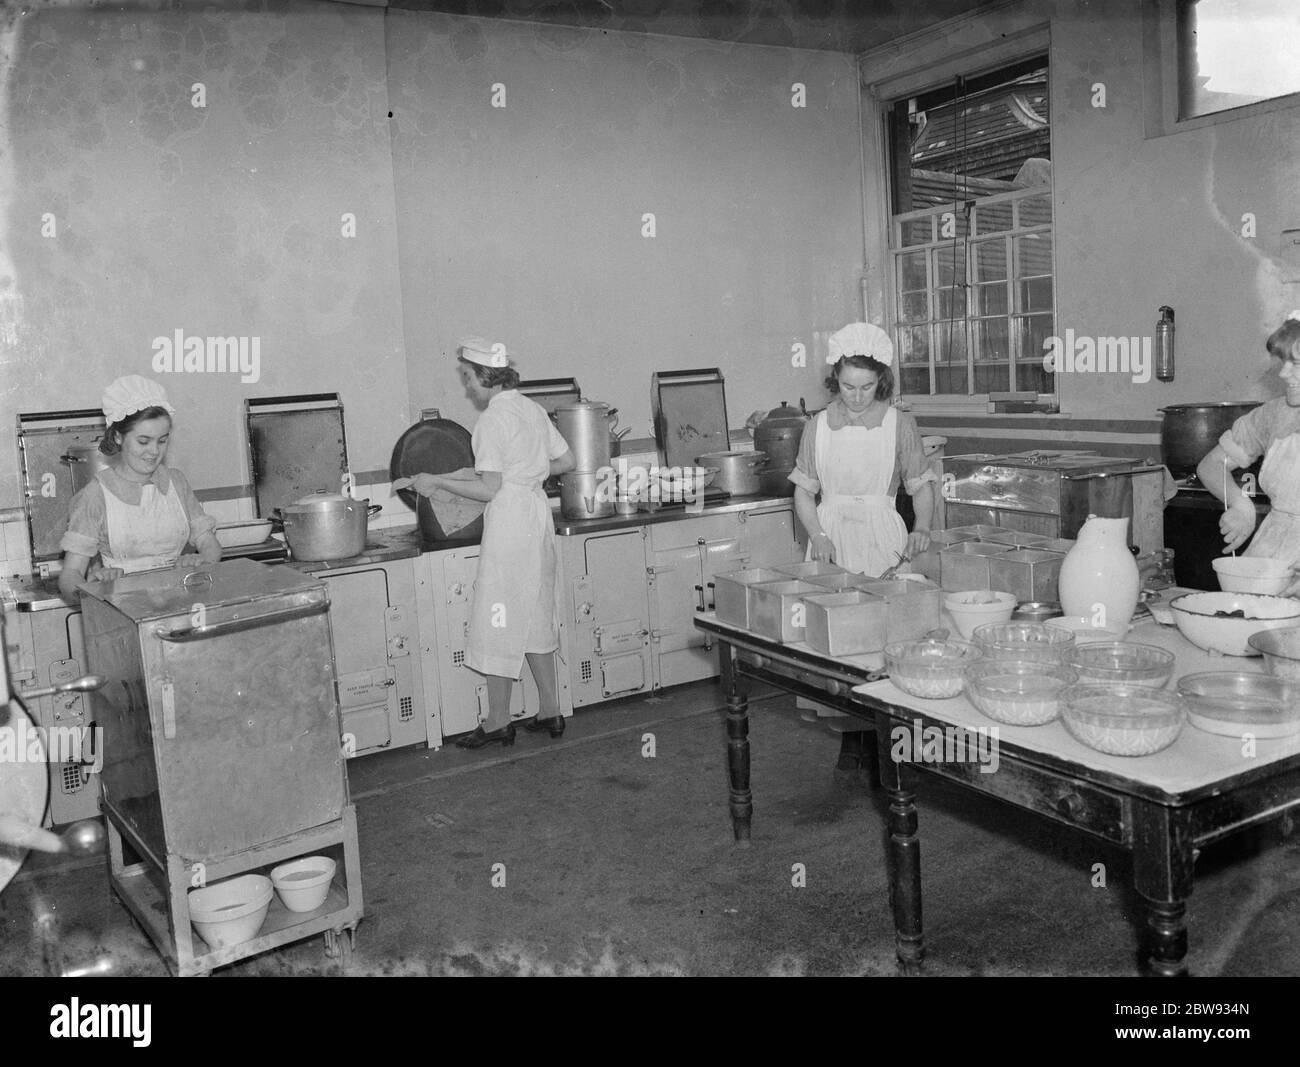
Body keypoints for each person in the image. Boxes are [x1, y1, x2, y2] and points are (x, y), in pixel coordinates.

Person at [397, 338, 576, 749]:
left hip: (511, 523)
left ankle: (498, 720)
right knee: (534, 611)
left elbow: (491, 488)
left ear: (486, 376)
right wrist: (525, 472)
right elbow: (566, 462)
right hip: (536, 516)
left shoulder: (493, 420)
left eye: (468, 379)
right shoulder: (530, 408)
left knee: (499, 618)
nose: (467, 388)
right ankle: (551, 710)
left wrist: (438, 481)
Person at [789, 322, 937, 576]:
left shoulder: (899, 423)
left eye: (866, 387)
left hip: (883, 536)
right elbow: (803, 492)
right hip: (830, 538)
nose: (857, 397)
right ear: (836, 377)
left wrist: (922, 527)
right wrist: (817, 535)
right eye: (848, 387)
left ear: (880, 379)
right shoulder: (818, 426)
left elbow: (921, 485)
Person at [58, 376, 220, 600]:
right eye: (143, 441)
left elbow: (211, 546)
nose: (154, 451)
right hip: (121, 610)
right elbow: (70, 575)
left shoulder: (177, 483)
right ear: (118, 437)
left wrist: (201, 562)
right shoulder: (97, 494)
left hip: (180, 607)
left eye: (162, 441)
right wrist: (93, 589)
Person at [1196, 312, 1300, 595]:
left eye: (1296, 363)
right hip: (1269, 558)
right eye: (1284, 361)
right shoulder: (1274, 416)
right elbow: (1212, 464)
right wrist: (1240, 505)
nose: (1282, 373)